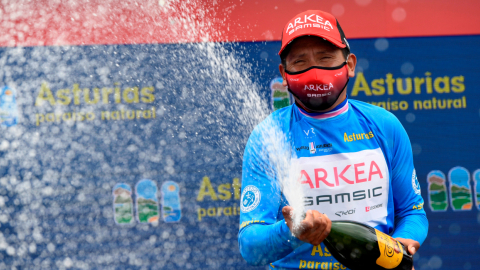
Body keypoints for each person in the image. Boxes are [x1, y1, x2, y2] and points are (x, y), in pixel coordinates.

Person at [238, 10, 428, 270]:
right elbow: (250, 246)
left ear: (349, 64)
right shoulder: (269, 137)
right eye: (300, 62)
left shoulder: (385, 125)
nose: (314, 71)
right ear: (284, 74)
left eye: (325, 58)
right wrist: (293, 231)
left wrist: (404, 243)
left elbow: (412, 213)